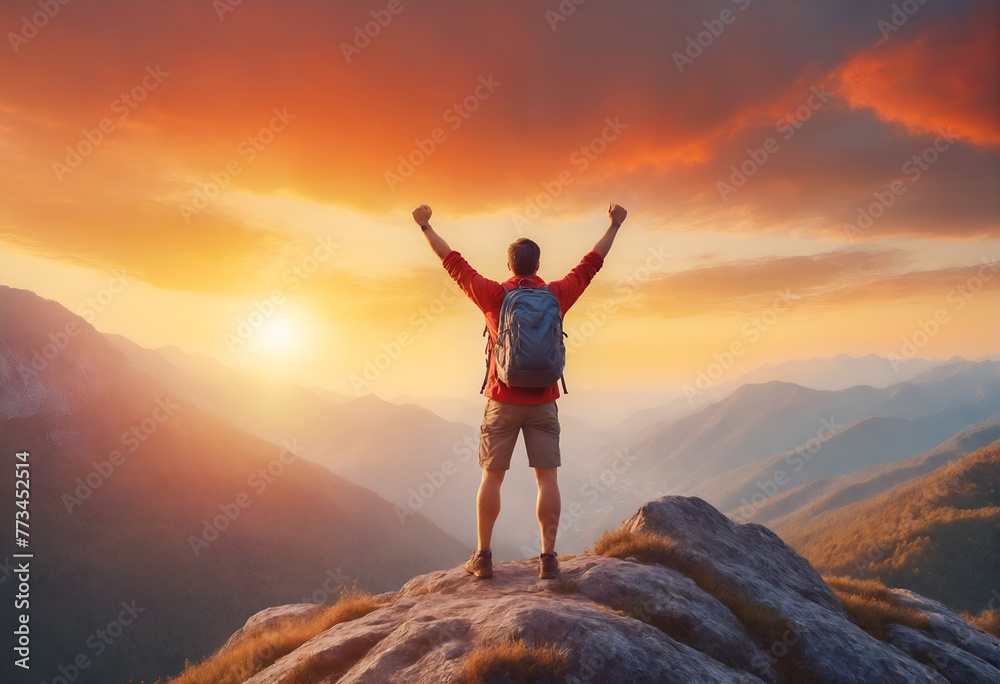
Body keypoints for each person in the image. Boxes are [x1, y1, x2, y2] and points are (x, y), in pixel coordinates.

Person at [413, 202, 628, 579]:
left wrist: (427, 227)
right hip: (544, 401)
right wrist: (614, 225)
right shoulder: (556, 294)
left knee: (491, 478)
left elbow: (453, 263)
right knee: (547, 480)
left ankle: (482, 558)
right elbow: (592, 263)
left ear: (510, 265)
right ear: (538, 265)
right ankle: (548, 560)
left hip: (501, 400)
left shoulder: (493, 295)